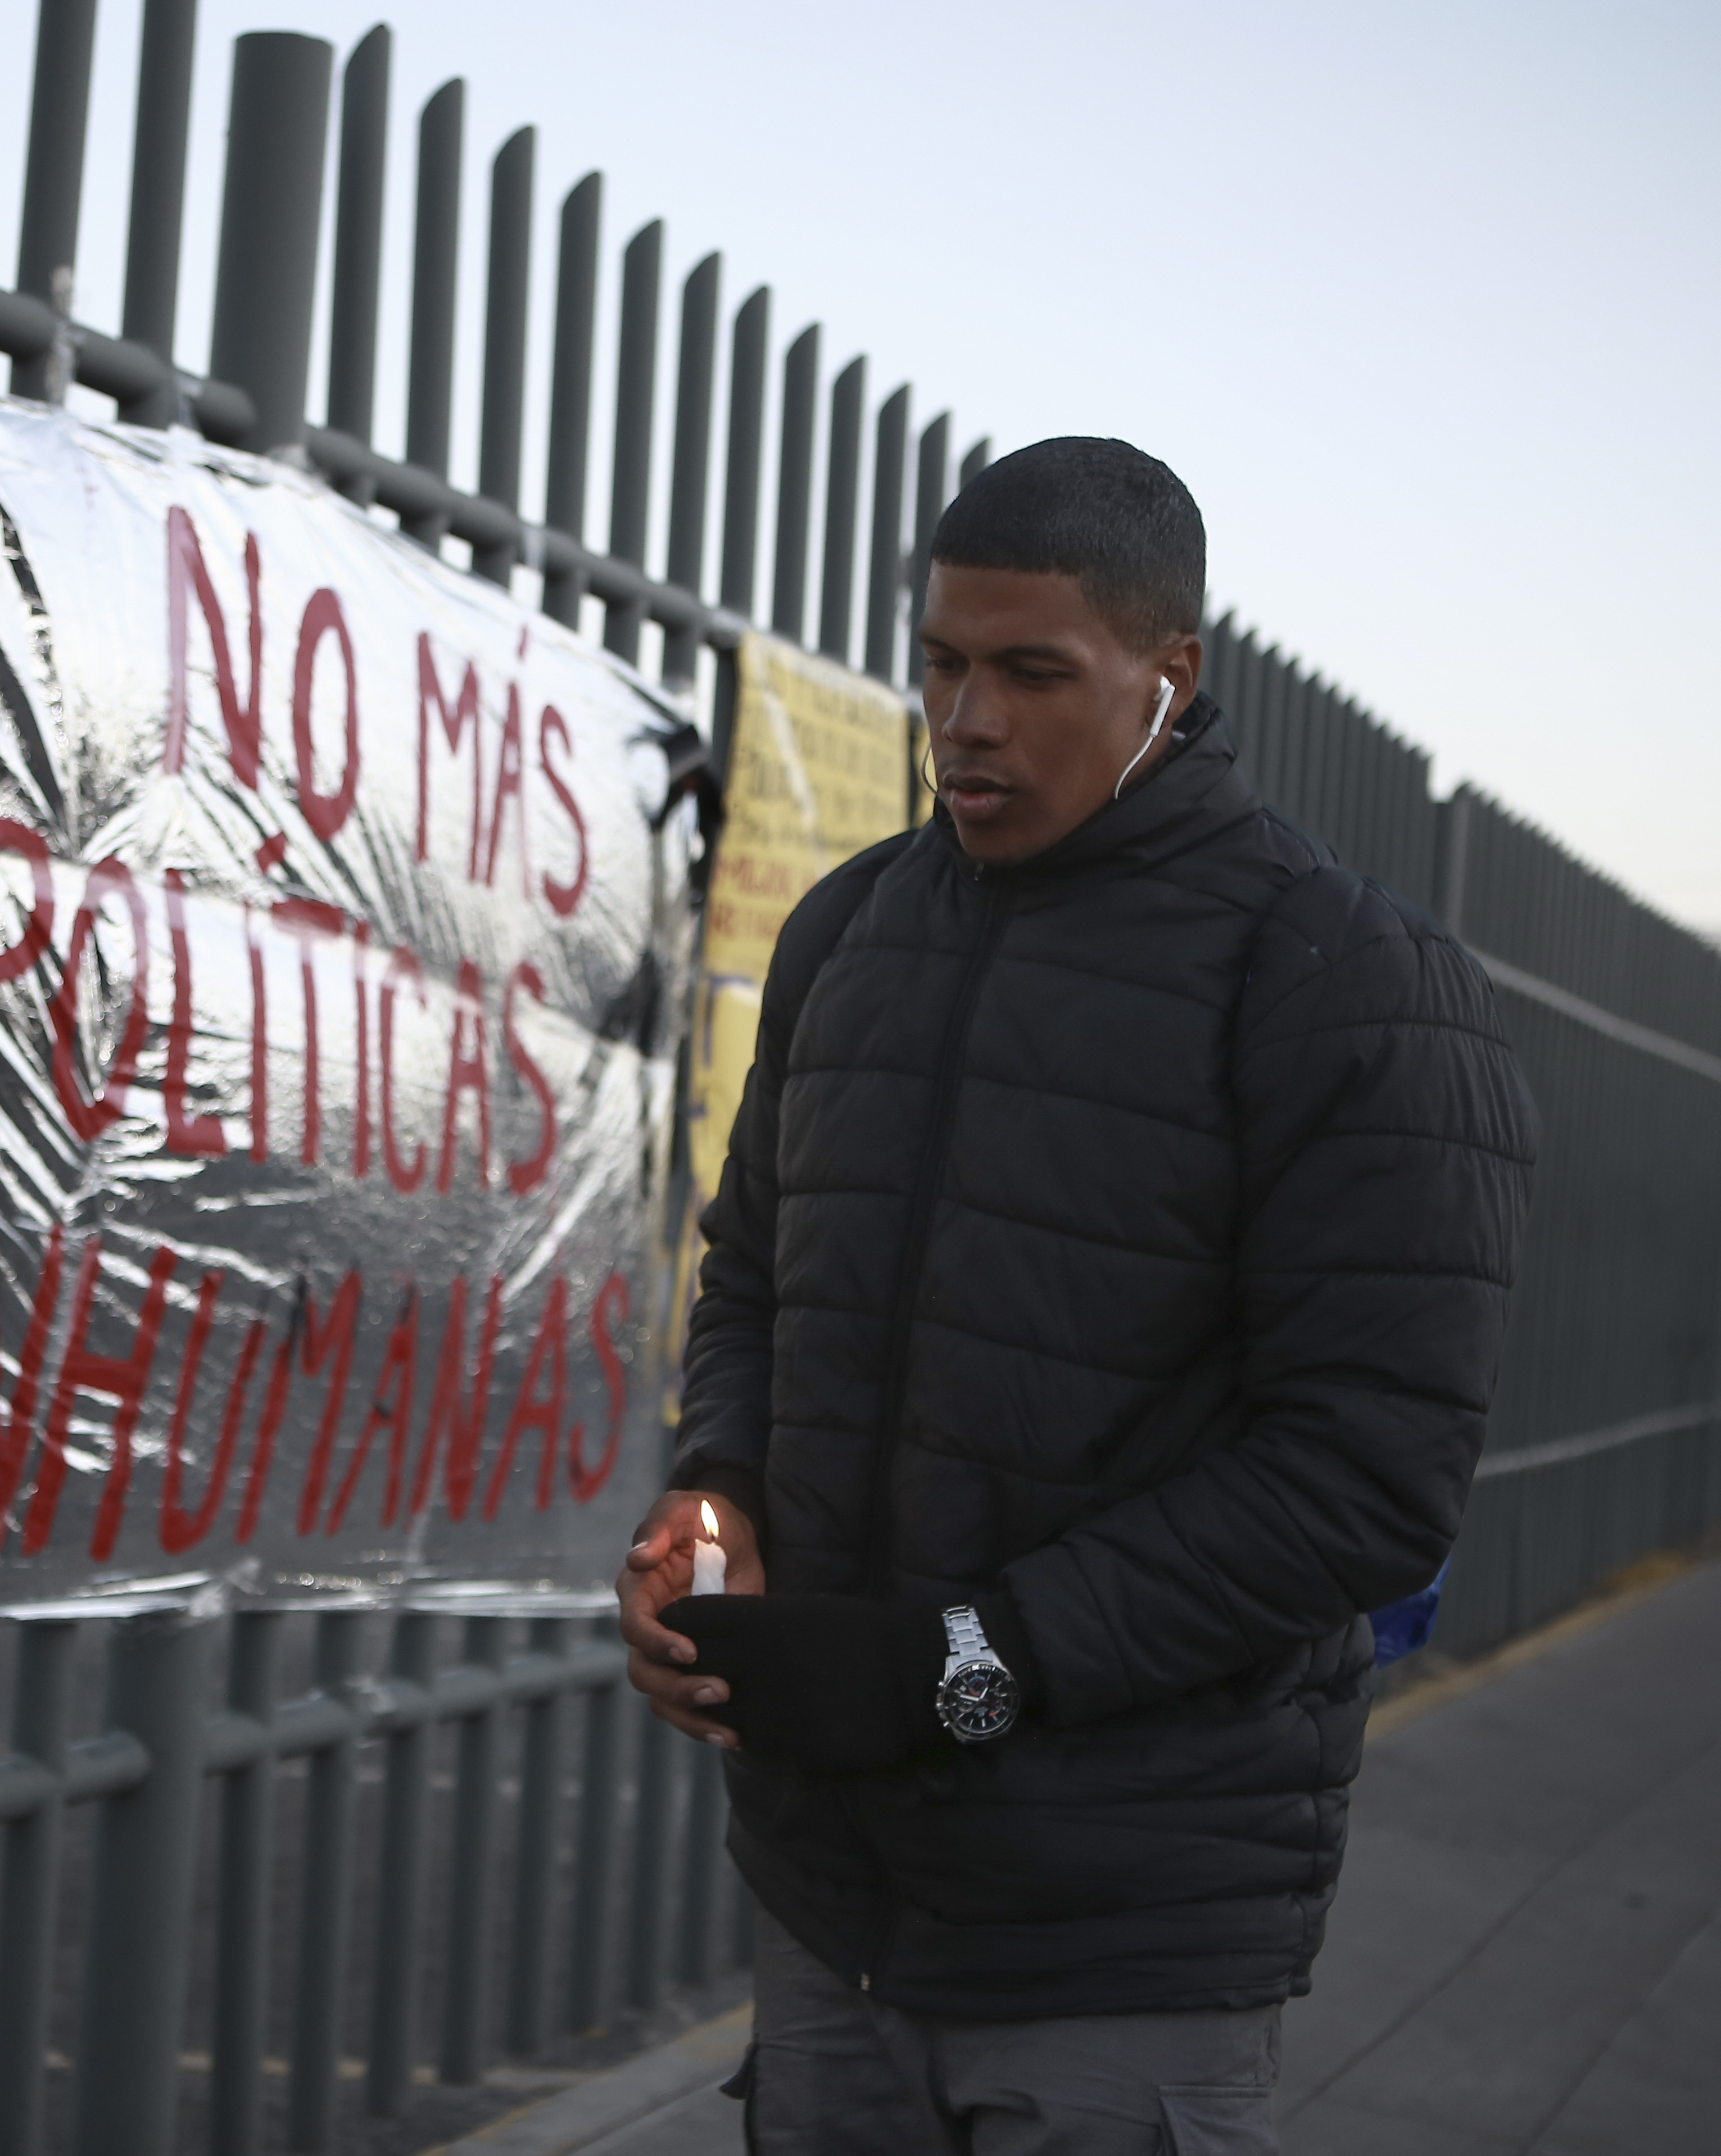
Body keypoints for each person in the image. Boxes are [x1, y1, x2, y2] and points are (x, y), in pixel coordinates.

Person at [621, 437, 1535, 2154]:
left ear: (1166, 676)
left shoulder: (1343, 982)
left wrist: (967, 1663)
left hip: (1131, 1926)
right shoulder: (846, 931)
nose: (964, 718)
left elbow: (1366, 1475)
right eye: (943, 664)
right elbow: (751, 1269)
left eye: (1030, 673)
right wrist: (715, 1485)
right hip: (830, 1900)